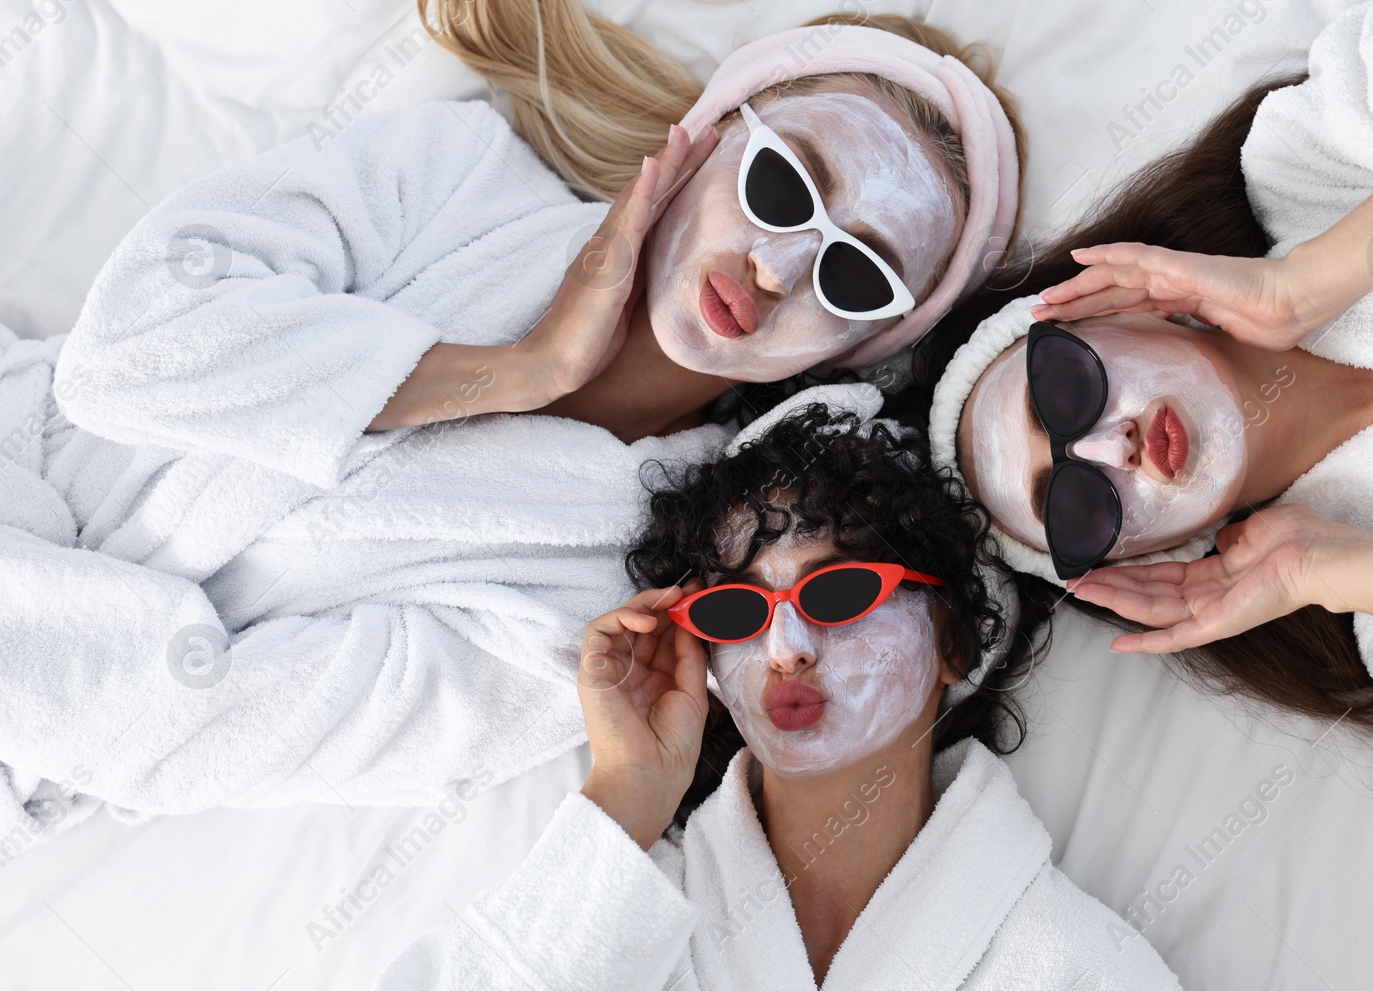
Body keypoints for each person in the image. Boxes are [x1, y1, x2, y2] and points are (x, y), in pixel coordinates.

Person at [0, 0, 1023, 832]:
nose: (778, 265)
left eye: (855, 275)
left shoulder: (608, 610)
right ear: (710, 139)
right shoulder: (458, 173)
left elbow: (189, 725)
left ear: (848, 354)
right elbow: (122, 353)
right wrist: (515, 369)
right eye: (781, 181)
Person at [923, 0, 1373, 809]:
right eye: (1075, 505)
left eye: (1063, 390)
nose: (1108, 449)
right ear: (1151, 555)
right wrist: (1327, 568)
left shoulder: (1313, 160)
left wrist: (1314, 278)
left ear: (1120, 303)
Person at [374, 402, 1182, 990]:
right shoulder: (609, 919)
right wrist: (626, 793)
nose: (786, 649)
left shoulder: (1078, 964)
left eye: (839, 593)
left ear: (952, 643)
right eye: (737, 610)